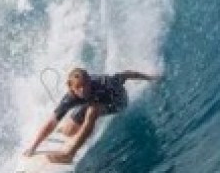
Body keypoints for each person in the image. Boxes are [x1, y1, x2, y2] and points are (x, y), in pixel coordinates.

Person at [23, 67, 158, 164]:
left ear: (90, 81)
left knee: (92, 111)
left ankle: (69, 154)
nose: (83, 90)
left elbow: (127, 74)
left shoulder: (104, 82)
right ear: (71, 87)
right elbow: (52, 122)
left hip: (117, 103)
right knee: (68, 130)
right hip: (92, 105)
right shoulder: (70, 97)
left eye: (86, 85)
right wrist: (34, 147)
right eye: (79, 87)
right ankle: (67, 131)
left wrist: (150, 78)